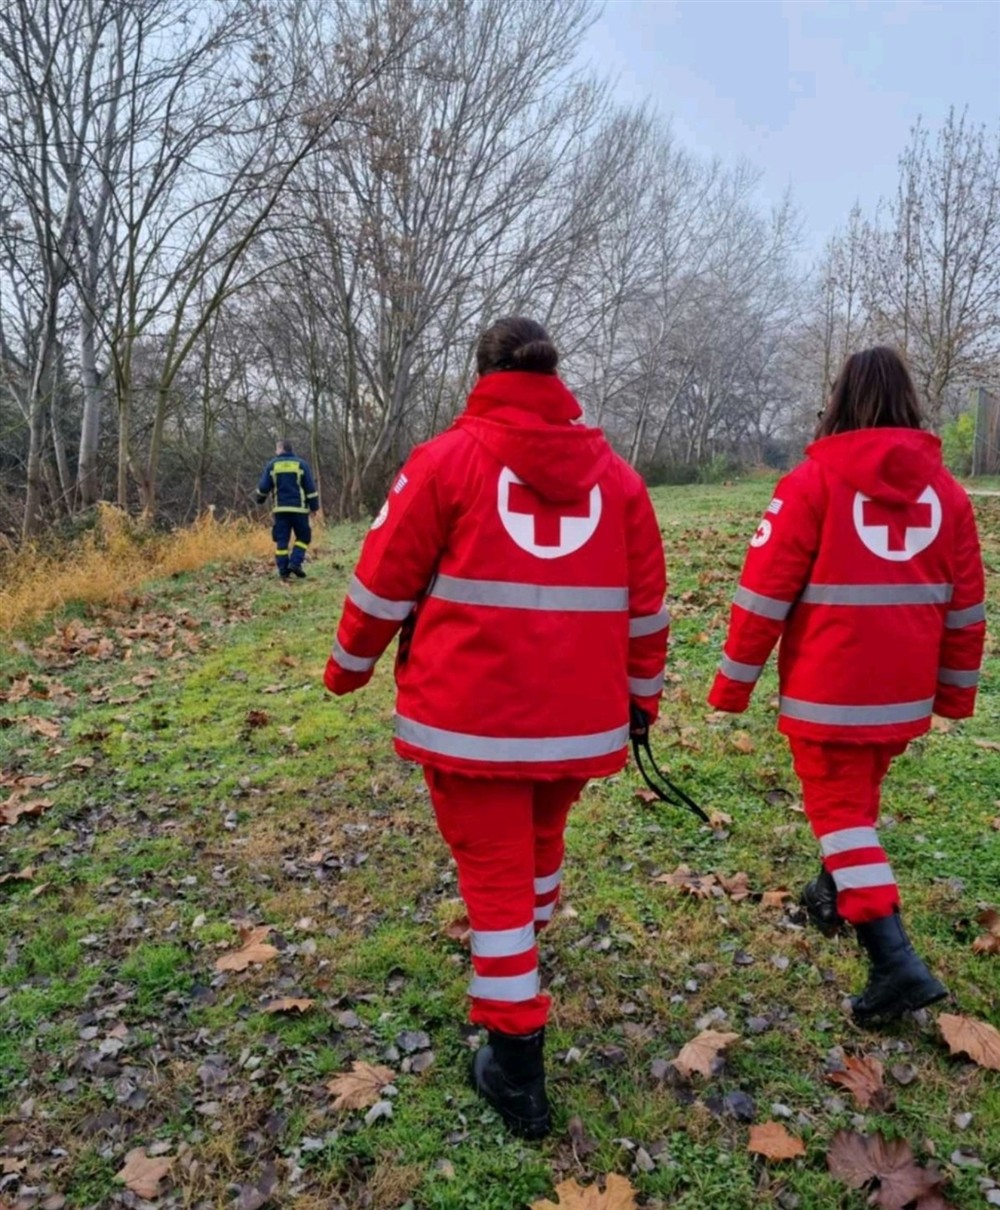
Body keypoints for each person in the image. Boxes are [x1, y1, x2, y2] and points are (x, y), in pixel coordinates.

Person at [323, 317, 668, 1137]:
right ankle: (523, 943)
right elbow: (647, 610)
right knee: (540, 844)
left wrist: (348, 667)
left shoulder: (443, 464)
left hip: (471, 727)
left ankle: (514, 1064)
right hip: (578, 727)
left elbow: (381, 581)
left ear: (479, 373)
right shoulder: (619, 482)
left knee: (496, 883)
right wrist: (641, 700)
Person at [709, 346, 986, 1025]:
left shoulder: (810, 484)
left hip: (829, 693)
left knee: (839, 814)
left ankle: (894, 962)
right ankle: (830, 892)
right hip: (904, 693)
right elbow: (967, 605)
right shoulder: (948, 495)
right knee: (856, 801)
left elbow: (762, 597)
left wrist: (732, 686)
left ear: (839, 400)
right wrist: (951, 694)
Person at [255, 439, 320, 580]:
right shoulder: (301, 464)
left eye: (276, 449)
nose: (275, 452)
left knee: (282, 541)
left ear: (281, 449)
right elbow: (310, 488)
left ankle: (284, 571)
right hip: (300, 510)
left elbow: (263, 487)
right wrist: (314, 507)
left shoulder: (272, 465)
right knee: (303, 537)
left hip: (281, 510)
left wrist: (260, 498)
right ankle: (295, 563)